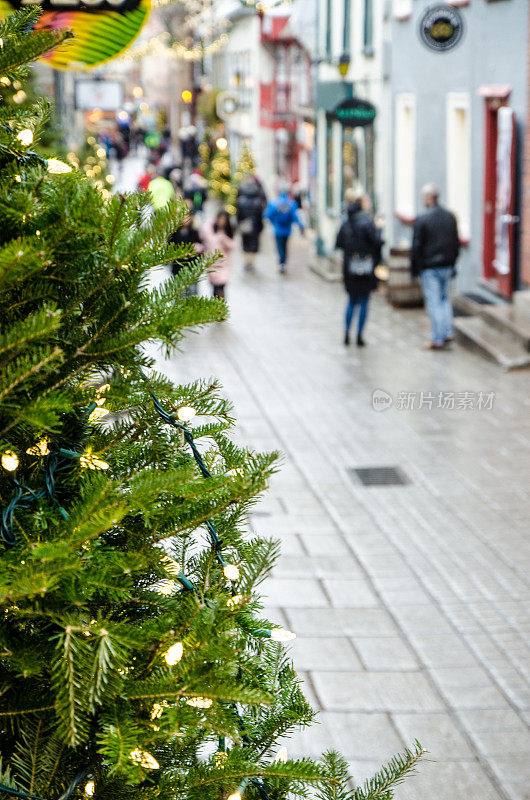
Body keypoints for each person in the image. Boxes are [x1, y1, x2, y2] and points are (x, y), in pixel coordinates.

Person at [411, 183, 460, 350]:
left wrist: (415, 269)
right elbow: (456, 243)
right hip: (446, 265)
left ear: (428, 198)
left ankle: (437, 338)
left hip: (430, 267)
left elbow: (416, 246)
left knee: (434, 302)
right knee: (445, 299)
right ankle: (447, 331)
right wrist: (453, 263)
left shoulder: (423, 219)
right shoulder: (449, 216)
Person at [335, 189, 382, 347]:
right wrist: (380, 229)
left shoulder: (347, 221)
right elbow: (377, 242)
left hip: (350, 266)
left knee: (351, 300)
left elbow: (339, 243)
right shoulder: (368, 222)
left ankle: (347, 332)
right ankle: (359, 335)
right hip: (365, 266)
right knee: (363, 301)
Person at [264, 180, 305, 274]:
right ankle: (283, 262)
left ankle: (281, 263)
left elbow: (267, 215)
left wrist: (273, 222)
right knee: (285, 246)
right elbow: (295, 217)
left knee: (279, 246)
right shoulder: (292, 203)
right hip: (287, 229)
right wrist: (301, 226)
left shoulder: (274, 203)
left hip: (277, 229)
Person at [200, 211, 236, 299]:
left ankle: (220, 306)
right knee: (215, 288)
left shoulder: (228, 232)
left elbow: (233, 246)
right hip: (212, 263)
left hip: (223, 264)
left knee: (221, 287)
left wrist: (224, 240)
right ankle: (215, 306)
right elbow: (207, 240)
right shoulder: (210, 229)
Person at [236, 177, 264, 271]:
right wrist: (260, 227)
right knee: (254, 244)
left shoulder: (240, 200)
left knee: (245, 244)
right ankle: (251, 262)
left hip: (245, 225)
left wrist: (239, 224)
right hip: (255, 226)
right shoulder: (258, 201)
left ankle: (247, 262)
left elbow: (238, 216)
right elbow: (260, 217)